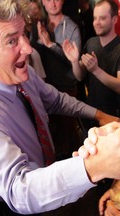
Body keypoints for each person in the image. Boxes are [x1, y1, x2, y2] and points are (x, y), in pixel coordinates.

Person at [0, 1, 120, 215]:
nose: (27, 48)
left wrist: (100, 115)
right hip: (7, 205)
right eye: (11, 41)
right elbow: (19, 190)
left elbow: (55, 100)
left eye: (24, 34)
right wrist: (95, 166)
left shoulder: (18, 71)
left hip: (44, 178)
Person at [63, 0, 120, 133]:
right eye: (95, 18)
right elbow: (79, 76)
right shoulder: (91, 43)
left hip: (112, 115)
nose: (97, 22)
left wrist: (96, 70)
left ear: (114, 19)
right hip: (91, 112)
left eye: (102, 18)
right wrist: (74, 61)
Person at [30, 0, 84, 159]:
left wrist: (50, 45)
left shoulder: (71, 27)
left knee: (68, 138)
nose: (53, 3)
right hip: (43, 87)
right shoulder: (37, 25)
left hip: (65, 88)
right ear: (43, 3)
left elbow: (73, 62)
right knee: (49, 135)